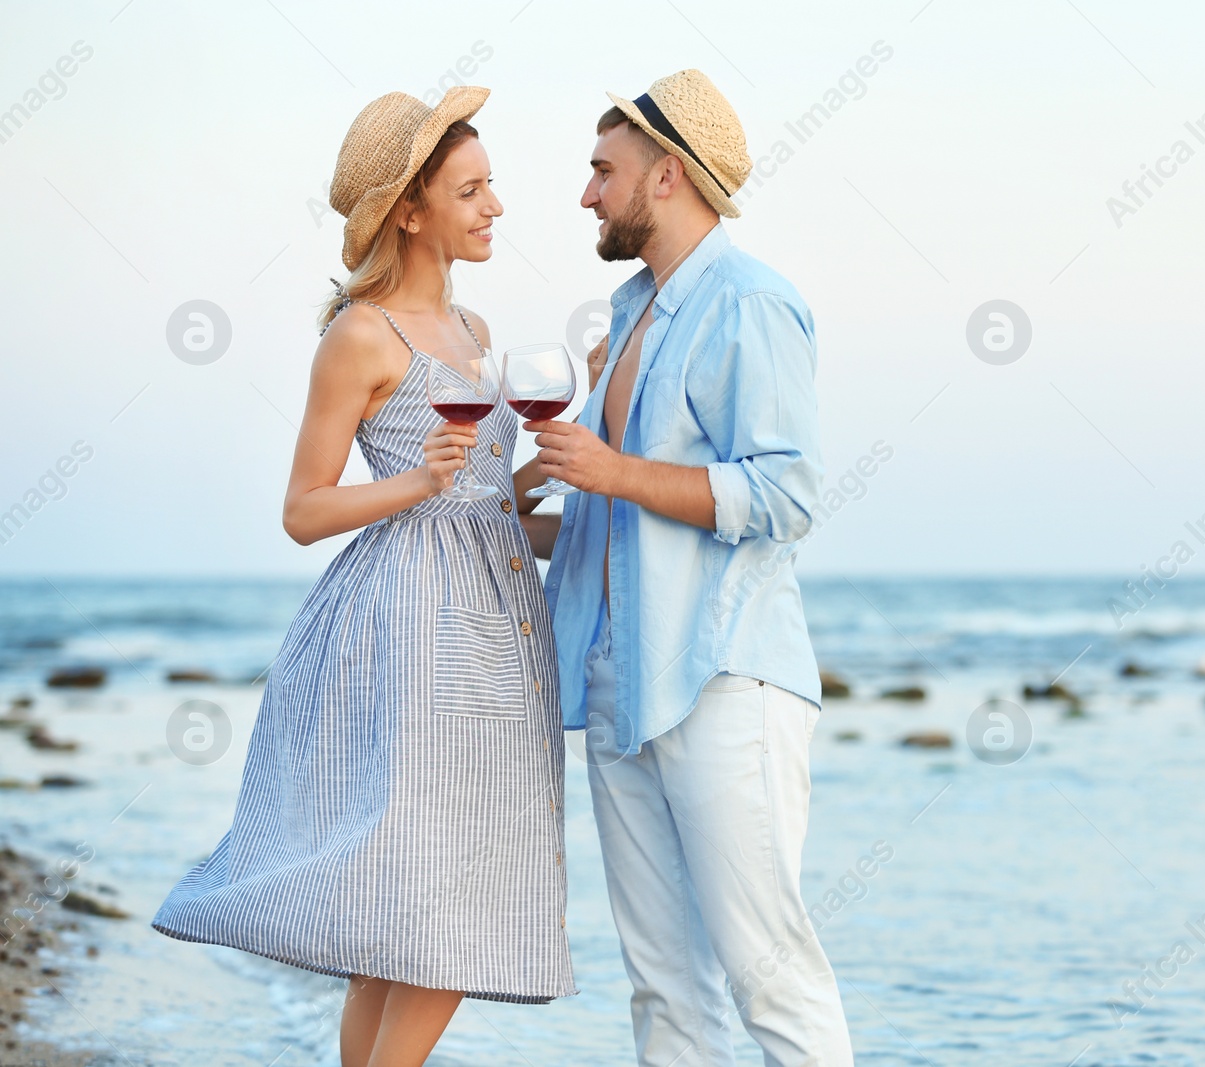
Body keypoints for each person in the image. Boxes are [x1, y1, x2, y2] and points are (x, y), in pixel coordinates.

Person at [151, 87, 574, 1067]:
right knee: (446, 896)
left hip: (499, 629)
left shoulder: (471, 330)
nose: (496, 206)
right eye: (471, 190)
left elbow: (480, 503)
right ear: (410, 210)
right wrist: (415, 485)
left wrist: (545, 486)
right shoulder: (361, 335)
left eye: (492, 186)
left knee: (400, 910)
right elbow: (303, 508)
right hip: (414, 628)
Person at [520, 69, 854, 1066]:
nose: (586, 194)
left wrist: (615, 467)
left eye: (601, 171)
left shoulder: (752, 303)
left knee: (768, 970)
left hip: (723, 679)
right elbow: (614, 520)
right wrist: (496, 520)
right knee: (663, 985)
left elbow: (787, 494)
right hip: (618, 686)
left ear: (666, 174)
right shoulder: (627, 315)